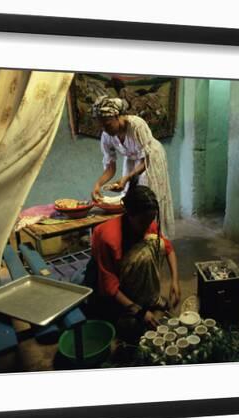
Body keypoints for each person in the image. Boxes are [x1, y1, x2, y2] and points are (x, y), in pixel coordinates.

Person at [85, 179, 181, 343]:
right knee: (130, 329)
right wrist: (139, 311)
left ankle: (148, 299)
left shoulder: (145, 221)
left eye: (151, 219)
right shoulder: (108, 237)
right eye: (143, 221)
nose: (148, 225)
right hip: (103, 286)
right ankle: (134, 306)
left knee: (156, 242)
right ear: (129, 213)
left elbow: (168, 248)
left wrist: (175, 281)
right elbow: (109, 286)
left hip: (127, 275)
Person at [91, 95, 175, 238]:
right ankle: (135, 234)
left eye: (107, 124)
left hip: (150, 158)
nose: (104, 129)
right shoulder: (107, 135)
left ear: (117, 116)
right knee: (131, 197)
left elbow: (146, 160)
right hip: (132, 158)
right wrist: (97, 186)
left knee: (147, 196)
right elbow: (111, 167)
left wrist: (127, 178)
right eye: (101, 125)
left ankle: (154, 236)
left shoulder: (136, 125)